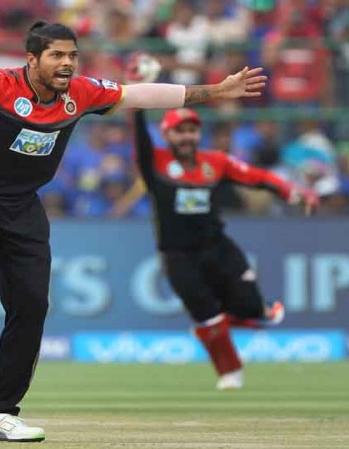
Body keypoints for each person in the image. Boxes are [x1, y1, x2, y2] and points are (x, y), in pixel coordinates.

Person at [0, 17, 267, 442]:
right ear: (32, 59)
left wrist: (215, 92)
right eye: (56, 55)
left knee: (32, 305)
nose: (67, 64)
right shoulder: (0, 84)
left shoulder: (79, 94)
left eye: (72, 56)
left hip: (22, 208)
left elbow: (138, 94)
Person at [127, 61, 318, 391]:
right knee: (207, 315)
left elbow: (256, 178)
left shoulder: (215, 163)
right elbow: (138, 133)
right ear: (167, 134)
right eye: (180, 131)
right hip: (177, 255)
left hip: (218, 247)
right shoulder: (155, 163)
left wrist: (293, 192)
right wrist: (137, 97)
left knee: (252, 309)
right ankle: (229, 371)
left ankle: (228, 321)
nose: (187, 137)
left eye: (192, 130)